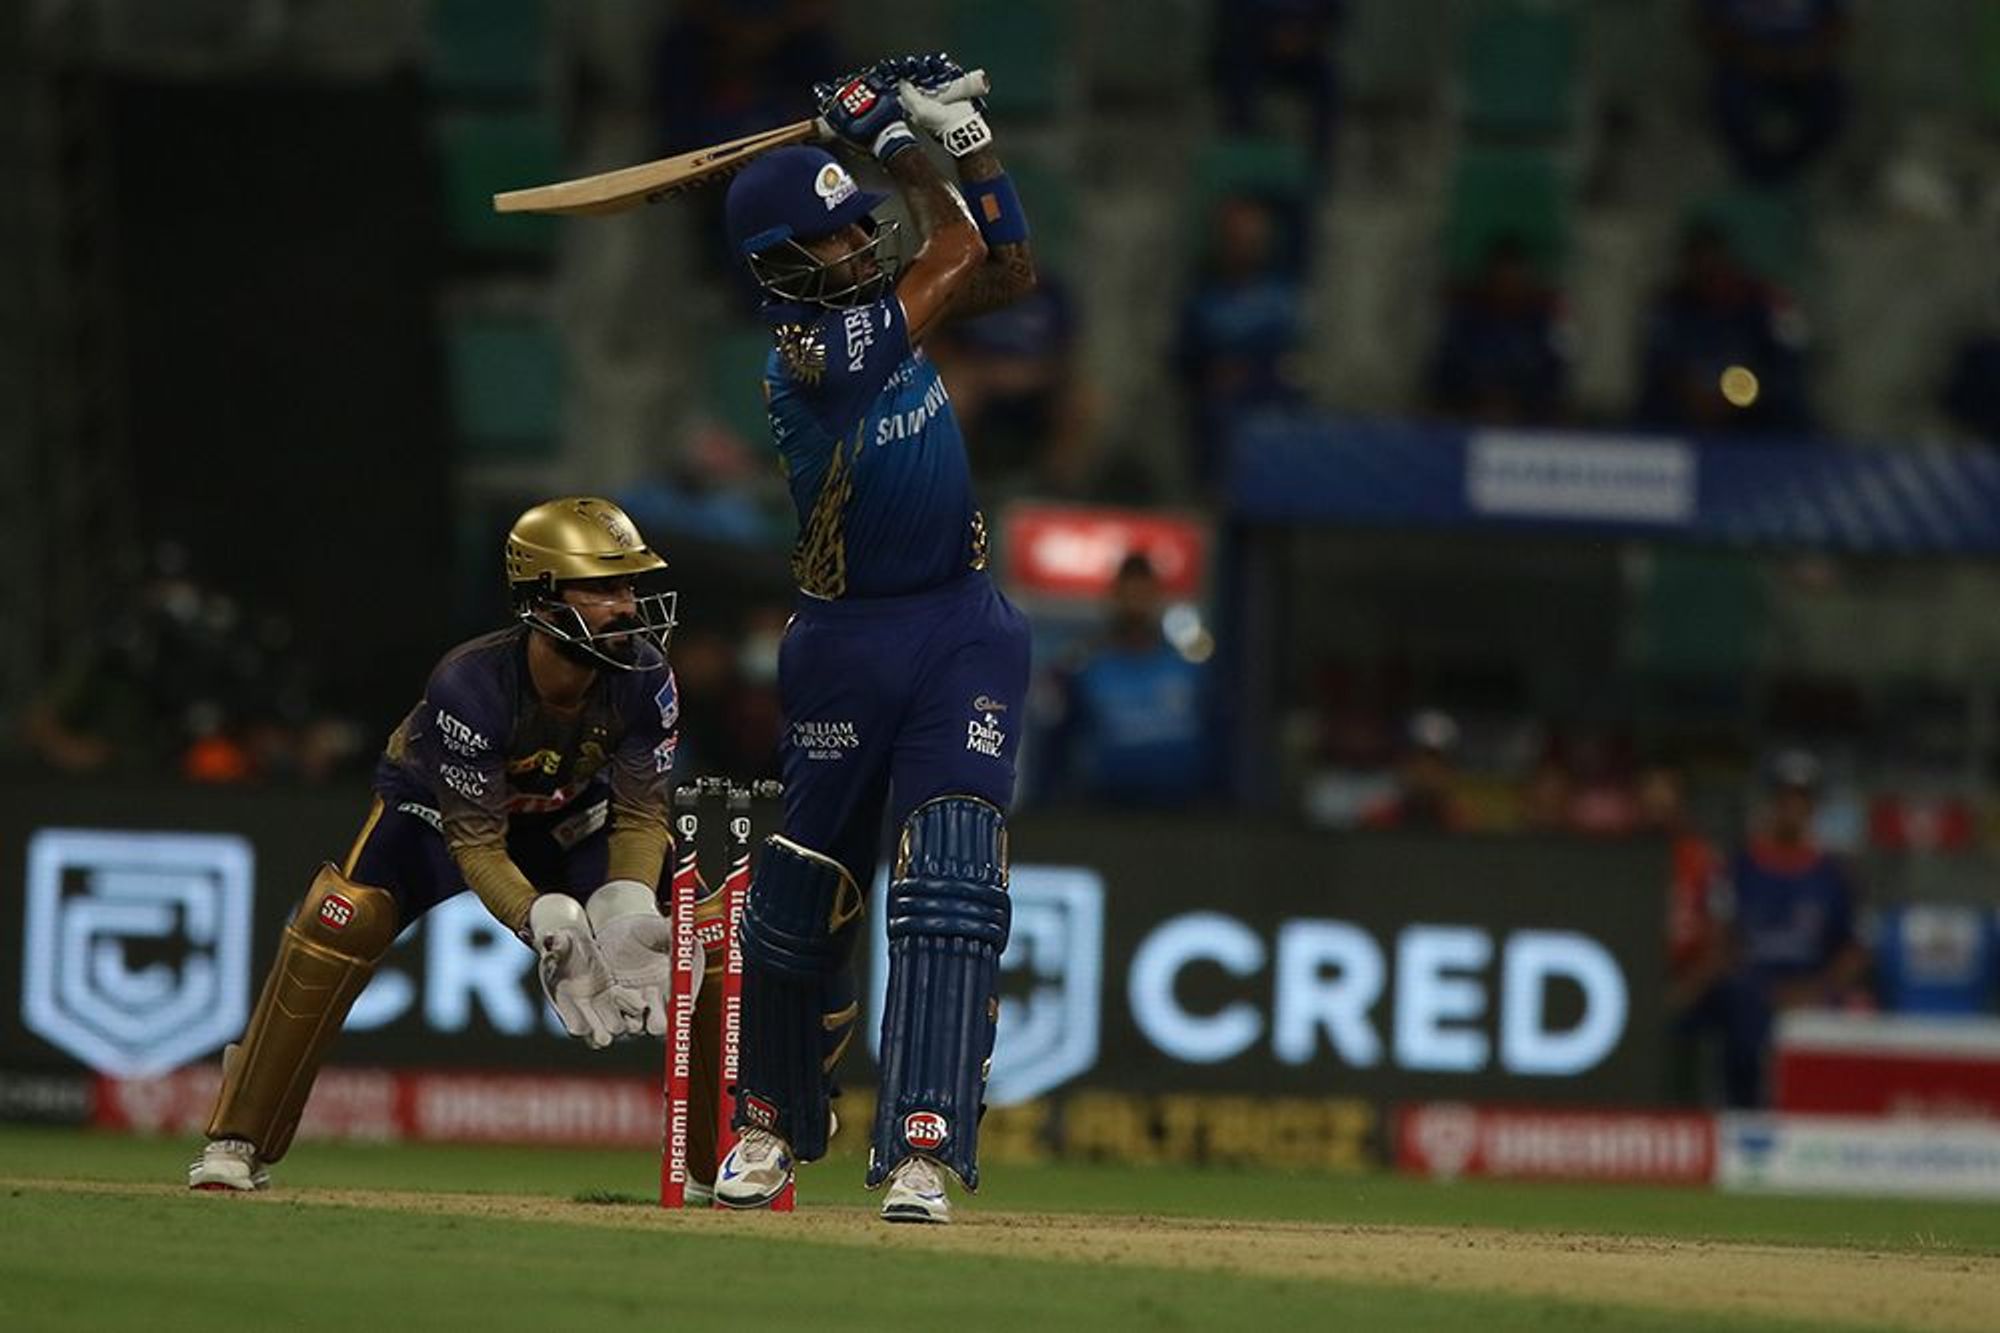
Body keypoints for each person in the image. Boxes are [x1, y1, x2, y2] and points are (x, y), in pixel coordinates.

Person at [708, 53, 1036, 1225]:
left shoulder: (873, 312)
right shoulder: (808, 357)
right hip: (844, 643)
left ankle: (922, 1146)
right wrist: (893, 144)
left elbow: (1006, 264)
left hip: (961, 626)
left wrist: (966, 140)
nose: (857, 253)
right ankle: (767, 1131)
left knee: (951, 880)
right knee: (800, 899)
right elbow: (948, 251)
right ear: (780, 271)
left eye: (859, 238)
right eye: (836, 246)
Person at [188, 498, 699, 1191]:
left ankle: (715, 1157)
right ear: (543, 598)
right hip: (434, 817)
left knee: (695, 932)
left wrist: (630, 903)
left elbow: (641, 813)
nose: (628, 606)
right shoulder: (471, 683)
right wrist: (537, 919)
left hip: (569, 819)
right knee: (342, 917)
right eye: (604, 587)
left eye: (629, 585)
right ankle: (237, 1138)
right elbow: (478, 841)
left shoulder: (646, 676)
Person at [1701, 749, 1868, 1105]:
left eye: (1802, 797)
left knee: (1851, 1014)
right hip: (1753, 988)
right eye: (1785, 795)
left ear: (1814, 805)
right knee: (1737, 1010)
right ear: (1772, 801)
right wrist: (1756, 987)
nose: (1792, 805)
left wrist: (1814, 990)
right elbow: (1721, 938)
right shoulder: (1739, 866)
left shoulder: (1835, 873)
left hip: (1815, 989)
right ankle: (1741, 1118)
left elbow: (1853, 950)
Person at [1040, 553, 1213, 808]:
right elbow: (1059, 745)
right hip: (1104, 810)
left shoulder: (1186, 670)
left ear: (1156, 598)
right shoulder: (1088, 669)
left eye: (1142, 595)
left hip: (1180, 812)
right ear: (1115, 598)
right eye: (1128, 595)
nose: (1135, 606)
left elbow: (1212, 740)